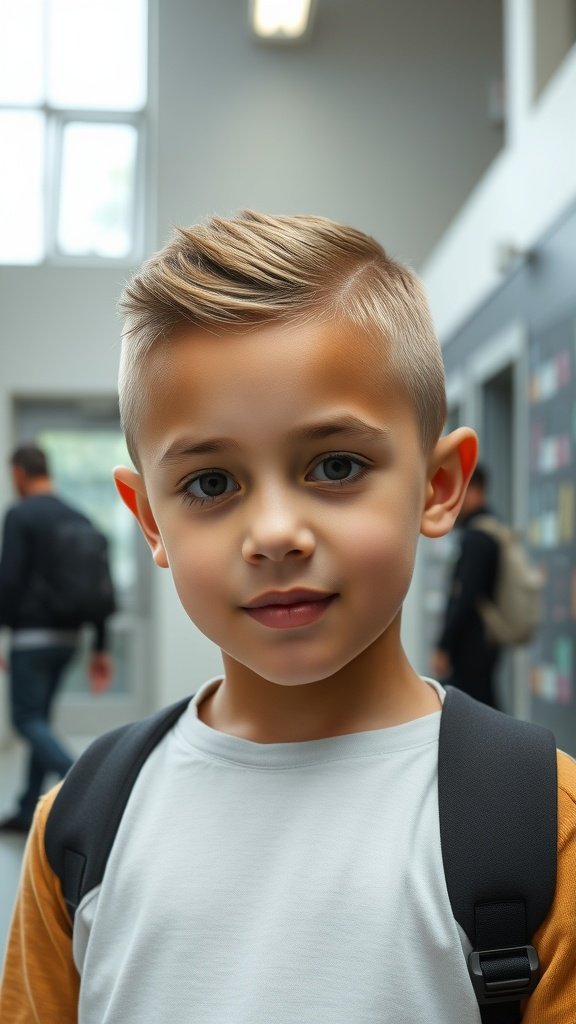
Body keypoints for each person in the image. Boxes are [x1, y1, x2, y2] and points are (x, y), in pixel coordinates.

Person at [1, 212, 574, 1022]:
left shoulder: (543, 824)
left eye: (335, 465)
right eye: (210, 484)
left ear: (439, 485)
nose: (273, 534)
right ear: (150, 521)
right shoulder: (86, 820)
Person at [0, 444, 114, 833]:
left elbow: (9, 580)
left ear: (18, 473)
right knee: (40, 718)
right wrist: (101, 647)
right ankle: (24, 808)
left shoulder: (21, 515)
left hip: (31, 638)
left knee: (25, 718)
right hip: (70, 638)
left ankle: (85, 788)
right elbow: (101, 588)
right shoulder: (79, 518)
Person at [431, 463, 501, 708]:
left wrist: (444, 645)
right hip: (485, 640)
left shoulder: (476, 538)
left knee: (474, 708)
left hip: (471, 643)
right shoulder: (491, 530)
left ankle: (501, 746)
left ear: (474, 492)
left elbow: (464, 596)